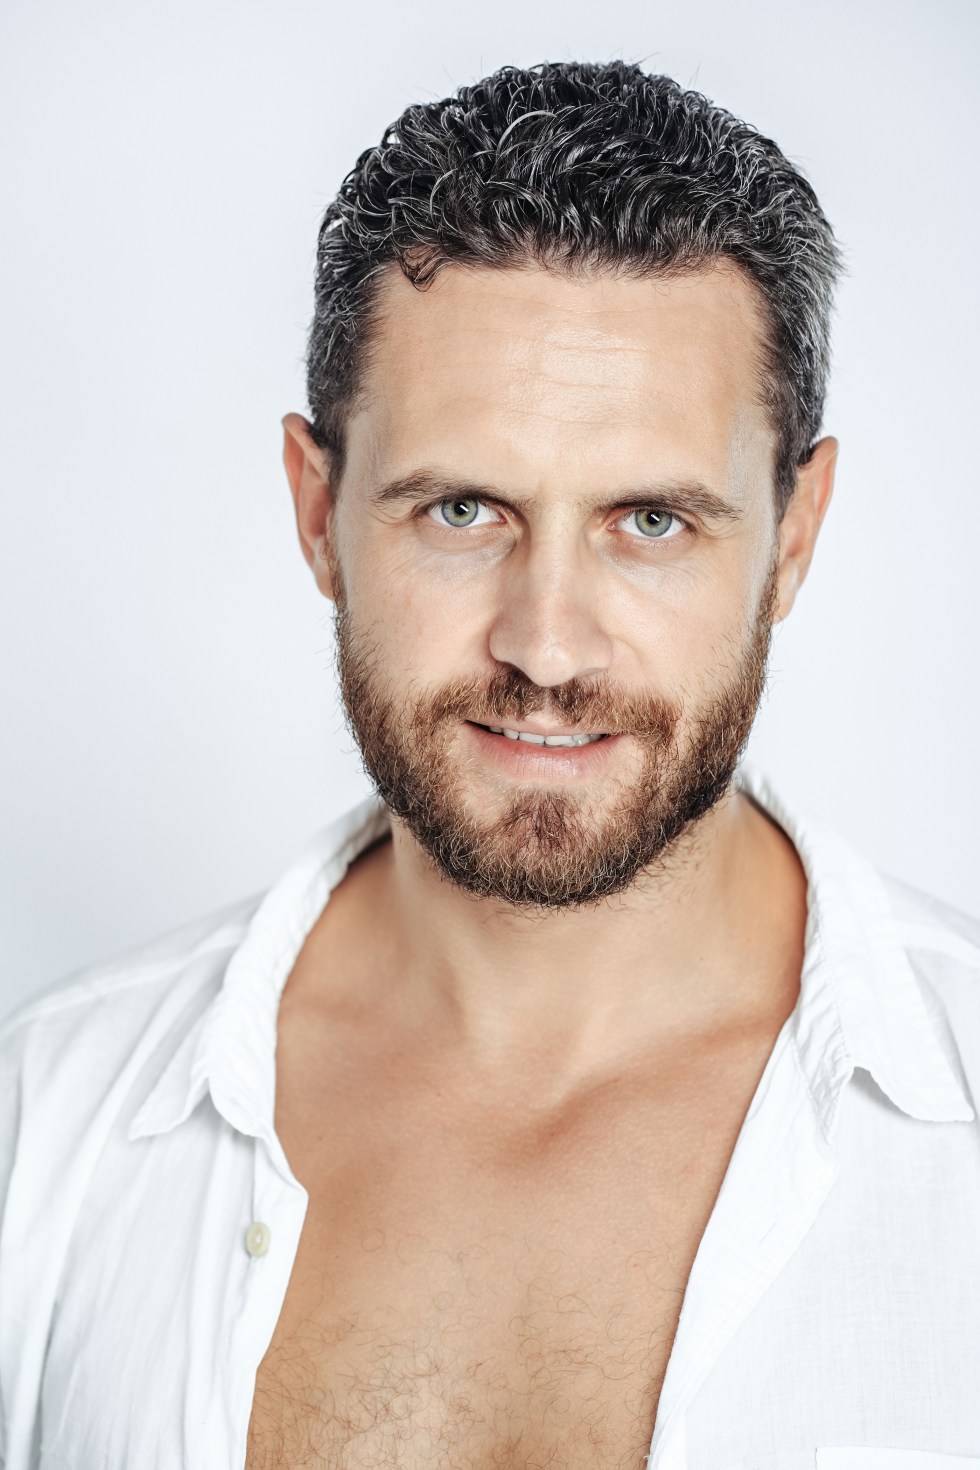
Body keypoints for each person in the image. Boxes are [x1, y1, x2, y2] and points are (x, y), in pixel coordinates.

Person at [2, 58, 979, 1470]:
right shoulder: (50, 1121)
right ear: (319, 511)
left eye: (652, 521)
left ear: (795, 534)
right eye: (463, 509)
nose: (547, 644)